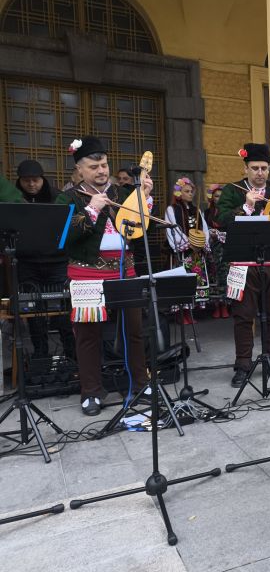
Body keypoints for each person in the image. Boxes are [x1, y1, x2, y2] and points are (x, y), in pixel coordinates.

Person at [56, 136, 152, 415]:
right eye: (93, 166)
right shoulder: (68, 197)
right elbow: (64, 237)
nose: (101, 171)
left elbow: (141, 229)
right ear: (79, 169)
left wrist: (144, 197)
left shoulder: (124, 193)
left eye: (104, 165)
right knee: (88, 336)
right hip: (86, 273)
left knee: (134, 331)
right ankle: (91, 392)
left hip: (125, 270)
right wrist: (92, 210)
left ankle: (140, 383)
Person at [216, 143, 270, 386]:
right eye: (255, 168)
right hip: (242, 265)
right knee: (243, 316)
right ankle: (243, 364)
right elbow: (220, 219)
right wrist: (247, 207)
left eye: (264, 168)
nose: (260, 173)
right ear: (245, 169)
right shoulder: (233, 191)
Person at [15, 160, 75, 360]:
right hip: (27, 263)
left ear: (42, 179)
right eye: (26, 181)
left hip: (57, 262)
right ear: (19, 181)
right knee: (33, 312)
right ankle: (41, 356)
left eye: (35, 180)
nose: (31, 184)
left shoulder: (57, 197)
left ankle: (71, 355)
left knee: (65, 310)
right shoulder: (14, 199)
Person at [165, 177, 211, 323]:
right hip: (183, 253)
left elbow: (204, 228)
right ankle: (181, 314)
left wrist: (201, 242)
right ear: (179, 193)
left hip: (196, 252)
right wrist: (188, 243)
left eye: (191, 191)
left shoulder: (196, 210)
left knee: (196, 281)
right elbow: (173, 229)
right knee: (182, 282)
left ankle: (190, 312)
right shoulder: (171, 210)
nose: (190, 194)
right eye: (187, 191)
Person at [204, 183, 230, 319]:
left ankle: (225, 305)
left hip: (225, 247)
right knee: (213, 274)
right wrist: (210, 232)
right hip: (212, 248)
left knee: (225, 275)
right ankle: (216, 306)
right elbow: (203, 228)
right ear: (212, 198)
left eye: (221, 196)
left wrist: (220, 234)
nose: (218, 198)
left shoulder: (228, 212)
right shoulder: (207, 212)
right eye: (216, 196)